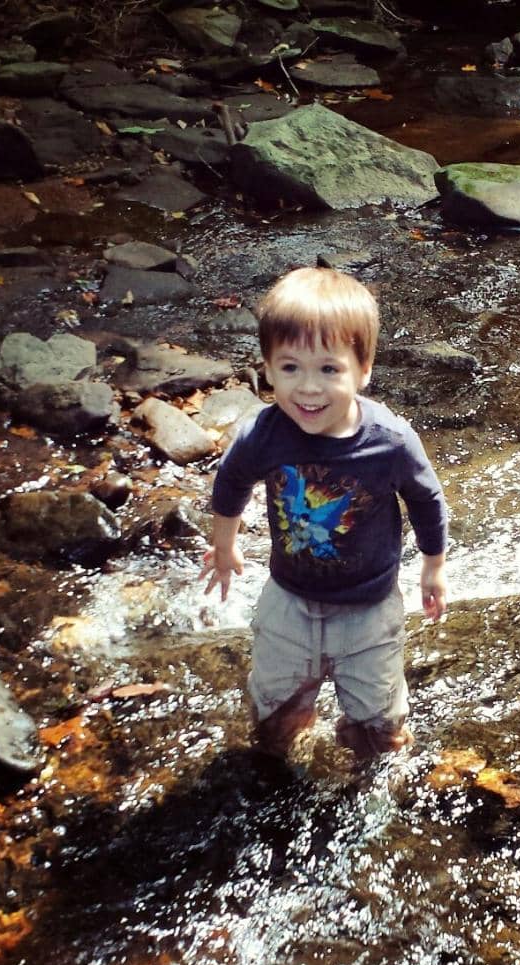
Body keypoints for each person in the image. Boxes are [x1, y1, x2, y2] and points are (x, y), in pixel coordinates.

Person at [199, 266, 448, 763]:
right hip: (289, 600)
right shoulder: (263, 435)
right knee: (273, 713)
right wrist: (224, 546)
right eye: (290, 368)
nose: (308, 389)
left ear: (363, 370)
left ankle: (374, 781)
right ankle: (282, 765)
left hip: (369, 611)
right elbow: (230, 484)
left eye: (329, 370)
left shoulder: (389, 442)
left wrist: (433, 567)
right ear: (267, 369)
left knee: (380, 726)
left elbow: (426, 500)